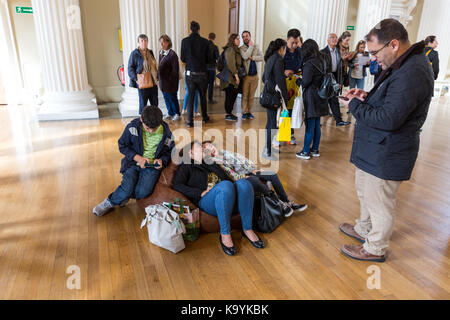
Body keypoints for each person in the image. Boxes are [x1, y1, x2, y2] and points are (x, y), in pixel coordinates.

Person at [338, 19, 434, 262]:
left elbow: (390, 118)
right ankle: (364, 229)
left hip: (389, 150)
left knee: (380, 201)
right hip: (376, 148)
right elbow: (390, 100)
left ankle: (375, 247)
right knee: (366, 192)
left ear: (393, 44)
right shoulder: (403, 64)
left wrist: (357, 106)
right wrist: (365, 96)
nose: (373, 59)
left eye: (374, 53)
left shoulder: (413, 71)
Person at [173, 141, 265, 256]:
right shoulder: (186, 166)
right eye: (199, 148)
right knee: (225, 185)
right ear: (190, 153)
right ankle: (225, 234)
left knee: (244, 184)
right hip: (208, 201)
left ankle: (247, 229)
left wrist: (240, 185)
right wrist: (200, 192)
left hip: (228, 196)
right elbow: (177, 185)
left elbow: (227, 178)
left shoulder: (211, 162)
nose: (203, 149)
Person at [93, 106, 175, 217]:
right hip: (132, 163)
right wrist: (138, 158)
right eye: (147, 128)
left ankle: (123, 196)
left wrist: (162, 161)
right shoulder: (132, 127)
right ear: (141, 119)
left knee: (143, 192)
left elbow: (170, 151)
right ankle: (110, 201)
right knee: (127, 187)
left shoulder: (167, 133)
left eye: (154, 129)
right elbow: (122, 145)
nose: (150, 131)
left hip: (152, 167)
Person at [202, 141, 307, 217]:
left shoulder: (224, 152)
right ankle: (280, 204)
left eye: (211, 145)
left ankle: (286, 201)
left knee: (272, 174)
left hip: (249, 170)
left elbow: (242, 160)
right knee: (255, 181)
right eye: (208, 148)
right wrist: (245, 175)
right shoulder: (215, 161)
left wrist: (254, 168)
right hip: (242, 176)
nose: (211, 148)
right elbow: (230, 173)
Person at [295, 39, 329, 160]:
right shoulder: (321, 60)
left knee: (310, 125)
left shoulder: (309, 63)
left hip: (311, 97)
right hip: (320, 96)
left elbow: (305, 82)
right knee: (316, 125)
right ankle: (315, 149)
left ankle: (305, 151)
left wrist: (297, 80)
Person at [180, 21, 213, 127]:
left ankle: (190, 121)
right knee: (203, 96)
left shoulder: (185, 41)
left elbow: (183, 58)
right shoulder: (205, 42)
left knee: (190, 96)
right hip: (202, 74)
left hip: (190, 74)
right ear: (199, 30)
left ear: (190, 29)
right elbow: (209, 59)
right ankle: (205, 117)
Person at [261, 38, 288, 161]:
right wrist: (285, 97)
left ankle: (268, 148)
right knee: (273, 124)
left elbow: (264, 78)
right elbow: (280, 80)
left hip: (268, 95)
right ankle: (268, 151)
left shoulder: (270, 59)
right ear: (281, 48)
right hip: (274, 97)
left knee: (270, 123)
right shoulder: (278, 60)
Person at [321, 33, 350, 127]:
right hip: (326, 78)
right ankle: (318, 121)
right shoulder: (322, 52)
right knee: (322, 99)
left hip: (335, 77)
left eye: (336, 38)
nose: (335, 39)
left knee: (334, 99)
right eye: (332, 37)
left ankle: (339, 120)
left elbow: (340, 68)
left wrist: (340, 82)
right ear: (328, 40)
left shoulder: (338, 51)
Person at [128, 34, 158, 115]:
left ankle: (155, 121)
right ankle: (142, 122)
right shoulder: (134, 54)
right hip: (142, 82)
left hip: (153, 82)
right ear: (138, 42)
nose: (144, 42)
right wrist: (136, 79)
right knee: (143, 105)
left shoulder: (150, 52)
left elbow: (154, 66)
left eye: (145, 41)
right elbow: (130, 68)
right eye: (142, 41)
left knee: (155, 104)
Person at [283, 28, 303, 146]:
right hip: (283, 82)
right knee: (283, 109)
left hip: (295, 82)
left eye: (297, 42)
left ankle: (290, 134)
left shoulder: (299, 51)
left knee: (292, 109)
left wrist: (300, 71)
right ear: (287, 40)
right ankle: (284, 134)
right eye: (292, 42)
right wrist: (284, 72)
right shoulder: (282, 50)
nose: (294, 45)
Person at [217, 33, 243, 121]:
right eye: (237, 39)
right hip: (230, 77)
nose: (239, 40)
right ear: (233, 40)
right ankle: (228, 114)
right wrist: (236, 76)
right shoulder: (230, 50)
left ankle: (229, 113)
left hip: (233, 76)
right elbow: (231, 64)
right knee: (230, 95)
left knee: (233, 95)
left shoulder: (235, 49)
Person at [239, 30, 264, 120]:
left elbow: (262, 57)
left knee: (251, 96)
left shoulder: (256, 46)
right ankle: (244, 112)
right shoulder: (241, 48)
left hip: (255, 76)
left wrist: (253, 57)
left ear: (250, 36)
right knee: (245, 95)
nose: (245, 38)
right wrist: (250, 47)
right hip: (246, 76)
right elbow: (245, 56)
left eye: (247, 36)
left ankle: (249, 111)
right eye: (243, 36)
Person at [158, 34, 181, 121]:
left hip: (170, 82)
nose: (162, 44)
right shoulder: (161, 53)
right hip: (163, 82)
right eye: (160, 42)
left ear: (168, 42)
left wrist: (170, 80)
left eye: (163, 42)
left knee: (172, 98)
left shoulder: (172, 55)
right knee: (166, 98)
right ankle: (170, 112)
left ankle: (177, 113)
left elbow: (175, 71)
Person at [207, 33, 219, 104]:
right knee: (211, 84)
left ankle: (203, 99)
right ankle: (210, 99)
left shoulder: (204, 46)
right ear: (214, 38)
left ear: (208, 37)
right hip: (212, 68)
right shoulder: (215, 47)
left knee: (204, 84)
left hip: (204, 68)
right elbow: (217, 57)